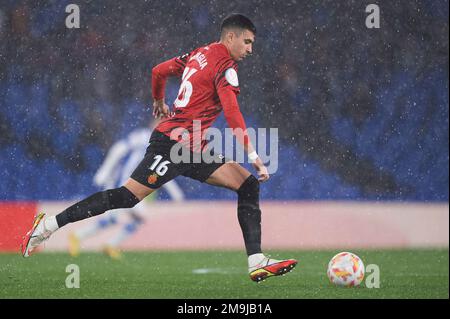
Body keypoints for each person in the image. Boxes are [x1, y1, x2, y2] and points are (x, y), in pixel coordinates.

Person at [22, 13, 297, 282]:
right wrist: (254, 156)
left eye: (252, 44)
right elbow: (233, 112)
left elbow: (159, 71)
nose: (250, 49)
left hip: (192, 149)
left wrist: (158, 100)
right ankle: (48, 226)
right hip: (172, 145)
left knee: (247, 185)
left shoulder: (198, 54)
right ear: (230, 36)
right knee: (126, 197)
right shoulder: (225, 67)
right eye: (247, 42)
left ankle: (256, 261)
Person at [68, 126, 185, 260]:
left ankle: (104, 243)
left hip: (136, 183)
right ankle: (80, 236)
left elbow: (160, 170)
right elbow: (119, 148)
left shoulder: (163, 144)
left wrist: (174, 191)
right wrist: (105, 170)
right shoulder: (144, 135)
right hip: (125, 181)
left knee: (135, 218)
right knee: (118, 217)